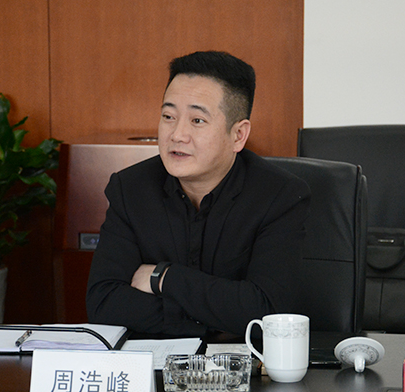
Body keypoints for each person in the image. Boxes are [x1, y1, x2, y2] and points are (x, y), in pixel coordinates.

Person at [86, 51, 310, 337]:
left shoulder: (280, 196)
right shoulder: (130, 189)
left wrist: (164, 278)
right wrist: (216, 319)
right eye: (168, 116)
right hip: (157, 363)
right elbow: (103, 303)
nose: (177, 135)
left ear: (238, 135)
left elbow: (268, 312)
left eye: (197, 121)